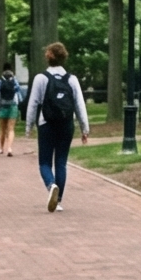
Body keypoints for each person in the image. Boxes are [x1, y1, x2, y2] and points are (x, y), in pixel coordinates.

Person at [25, 41, 90, 210]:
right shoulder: (72, 79)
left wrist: (29, 125)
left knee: (44, 162)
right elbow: (80, 105)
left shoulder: (41, 79)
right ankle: (58, 200)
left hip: (46, 124)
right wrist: (85, 128)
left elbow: (33, 103)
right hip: (66, 124)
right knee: (61, 162)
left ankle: (51, 185)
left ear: (48, 57)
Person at [0, 60, 23, 155]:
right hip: (13, 106)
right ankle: (9, 148)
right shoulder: (15, 81)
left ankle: (1, 148)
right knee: (11, 128)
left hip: (2, 106)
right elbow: (19, 95)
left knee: (2, 129)